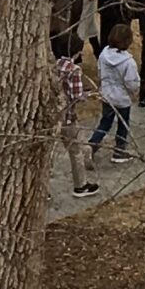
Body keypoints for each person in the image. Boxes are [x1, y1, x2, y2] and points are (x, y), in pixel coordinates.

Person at [84, 21, 141, 165]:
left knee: (105, 122)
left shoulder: (103, 55)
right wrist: (134, 93)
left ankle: (92, 144)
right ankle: (119, 151)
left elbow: (99, 72)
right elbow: (131, 82)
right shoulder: (129, 62)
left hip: (107, 95)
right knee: (123, 125)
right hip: (122, 98)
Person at [52, 36, 100, 200]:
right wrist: (90, 94)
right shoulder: (74, 70)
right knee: (75, 150)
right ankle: (80, 185)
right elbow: (76, 96)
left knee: (48, 153)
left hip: (51, 115)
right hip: (67, 115)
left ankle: (42, 189)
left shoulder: (54, 65)